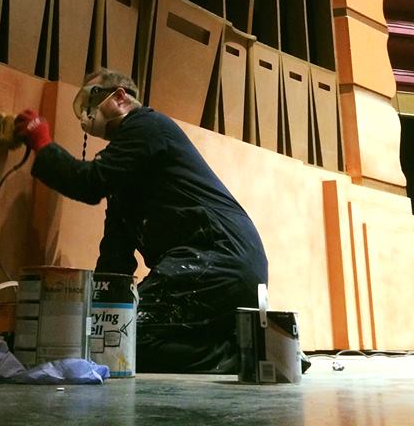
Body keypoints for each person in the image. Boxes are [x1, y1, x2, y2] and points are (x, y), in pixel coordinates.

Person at [14, 68, 268, 373]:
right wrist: (94, 321)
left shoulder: (147, 125)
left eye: (91, 98)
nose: (86, 111)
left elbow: (89, 183)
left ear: (120, 97)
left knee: (130, 342)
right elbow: (115, 259)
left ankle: (245, 355)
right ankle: (236, 339)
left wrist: (43, 144)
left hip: (219, 258)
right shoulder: (125, 173)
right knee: (115, 342)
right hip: (207, 267)